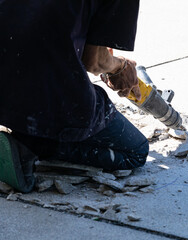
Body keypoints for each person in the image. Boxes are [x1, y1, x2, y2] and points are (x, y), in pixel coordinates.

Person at [0, 0, 149, 193]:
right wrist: (120, 67)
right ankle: (28, 146)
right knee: (135, 152)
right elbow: (95, 62)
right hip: (38, 91)